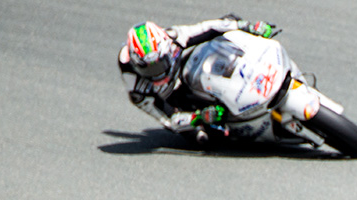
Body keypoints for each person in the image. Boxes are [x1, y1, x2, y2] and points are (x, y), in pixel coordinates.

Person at [118, 17, 280, 142]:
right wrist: (199, 117)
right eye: (150, 69)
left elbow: (208, 28)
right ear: (136, 65)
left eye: (161, 64)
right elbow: (167, 119)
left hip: (187, 69)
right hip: (173, 100)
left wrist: (247, 26)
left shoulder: (173, 38)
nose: (157, 72)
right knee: (203, 139)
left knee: (229, 22)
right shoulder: (136, 88)